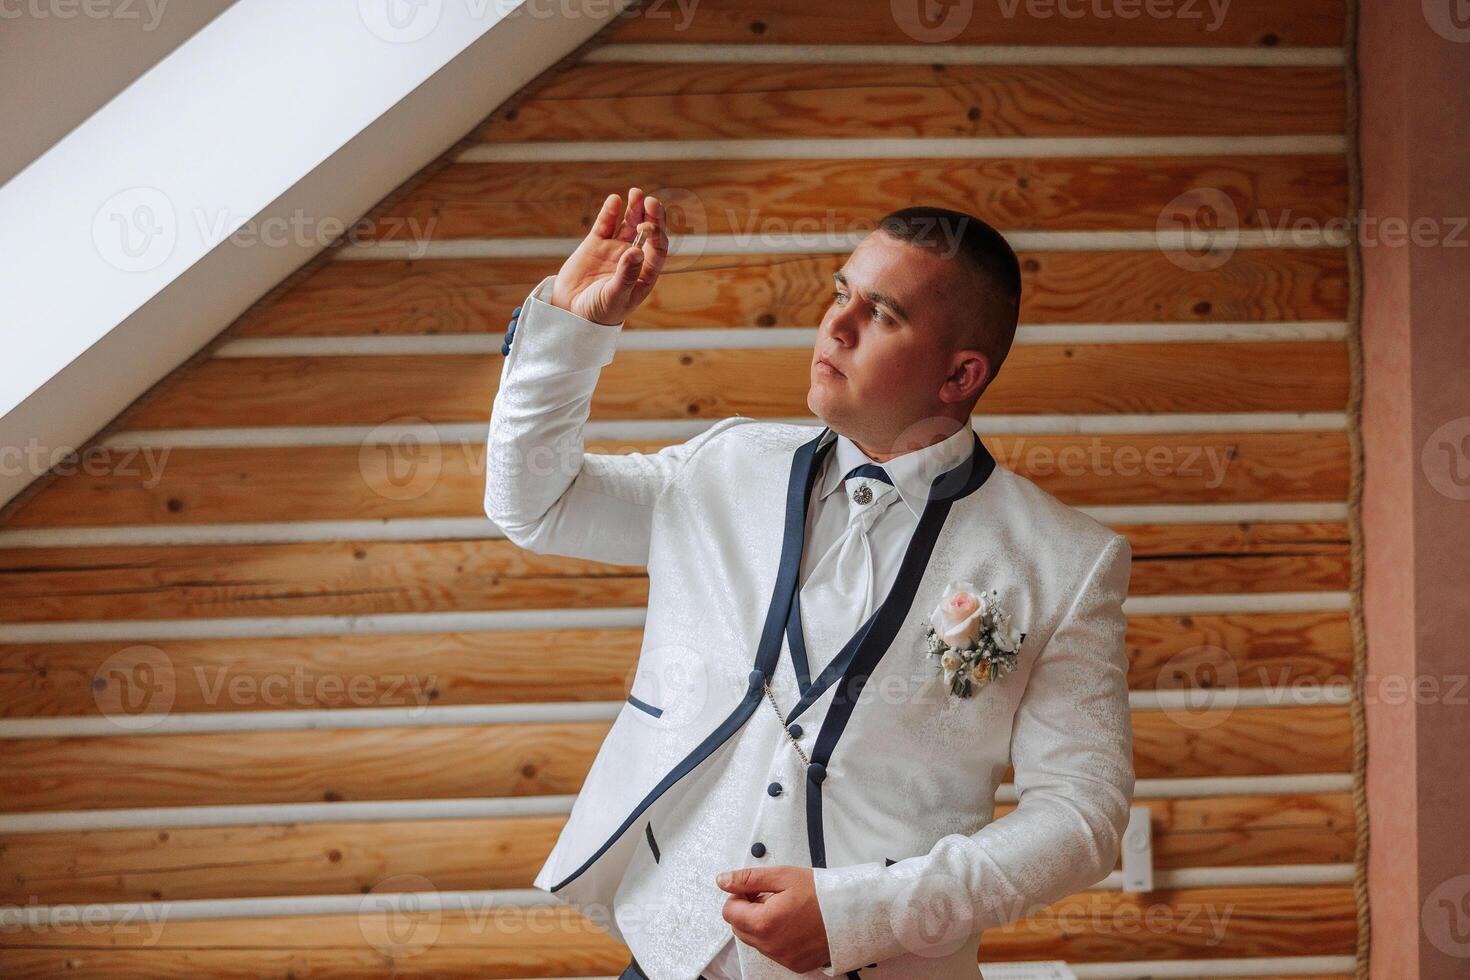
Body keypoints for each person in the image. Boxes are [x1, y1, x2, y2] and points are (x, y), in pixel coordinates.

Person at [484, 187, 1135, 979]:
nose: (837, 325)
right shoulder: (724, 465)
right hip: (666, 956)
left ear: (961, 374)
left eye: (883, 314)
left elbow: (1083, 815)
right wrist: (571, 327)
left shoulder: (1064, 561)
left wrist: (872, 911)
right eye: (839, 292)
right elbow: (534, 503)